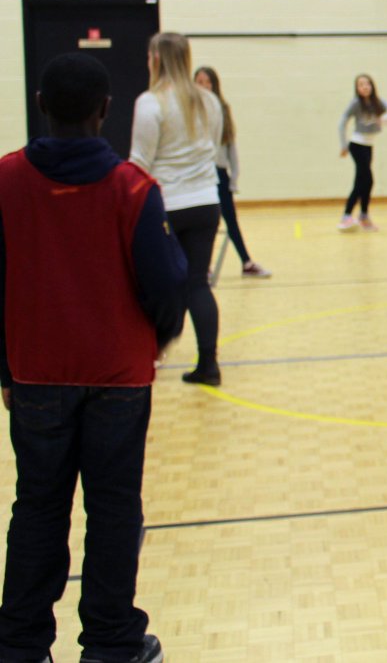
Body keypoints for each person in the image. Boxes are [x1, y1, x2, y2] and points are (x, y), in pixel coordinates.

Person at [0, 53, 186, 663]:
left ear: (40, 105)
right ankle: (110, 641)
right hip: (117, 381)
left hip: (34, 375)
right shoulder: (133, 190)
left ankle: (21, 645)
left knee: (36, 508)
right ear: (106, 111)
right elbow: (167, 291)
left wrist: (5, 369)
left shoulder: (5, 180)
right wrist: (150, 344)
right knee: (112, 510)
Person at [131, 32, 225, 386]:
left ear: (156, 58)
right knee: (197, 284)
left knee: (155, 285)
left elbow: (140, 162)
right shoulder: (209, 101)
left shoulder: (150, 102)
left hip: (165, 206)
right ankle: (209, 365)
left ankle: (150, 354)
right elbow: (212, 149)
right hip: (205, 202)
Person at [193, 66, 271, 280]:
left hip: (219, 173)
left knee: (230, 219)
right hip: (199, 174)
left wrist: (234, 177)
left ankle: (246, 262)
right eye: (198, 81)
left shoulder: (222, 109)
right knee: (207, 222)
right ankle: (203, 267)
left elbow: (230, 145)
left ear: (214, 85)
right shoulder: (190, 110)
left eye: (207, 82)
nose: (203, 86)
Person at [338, 73, 387, 232]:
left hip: (369, 145)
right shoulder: (356, 103)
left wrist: (385, 119)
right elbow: (342, 121)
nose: (365, 87)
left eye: (367, 84)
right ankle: (347, 216)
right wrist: (343, 145)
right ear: (357, 88)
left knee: (366, 182)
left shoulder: (377, 102)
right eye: (361, 84)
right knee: (363, 180)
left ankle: (363, 216)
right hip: (357, 145)